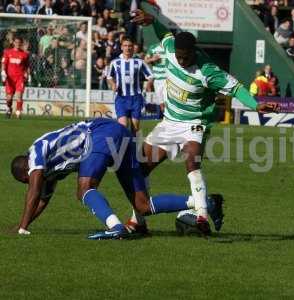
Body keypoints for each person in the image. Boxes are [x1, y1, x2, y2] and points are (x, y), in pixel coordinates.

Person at [131, 9, 279, 230]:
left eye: (185, 56)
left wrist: (256, 104)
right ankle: (137, 221)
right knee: (140, 169)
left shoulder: (208, 71)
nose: (180, 60)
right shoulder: (171, 49)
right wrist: (153, 21)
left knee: (192, 162)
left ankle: (201, 216)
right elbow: (166, 36)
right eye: (178, 56)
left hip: (194, 123)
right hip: (169, 122)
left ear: (194, 51)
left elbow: (237, 88)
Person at [10, 118, 223, 239]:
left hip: (100, 133)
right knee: (142, 206)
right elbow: (42, 199)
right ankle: (203, 202)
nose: (32, 181)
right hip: (121, 134)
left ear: (24, 174)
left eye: (27, 180)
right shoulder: (48, 170)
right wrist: (26, 224)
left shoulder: (36, 153)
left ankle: (116, 227)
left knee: (85, 188)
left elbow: (35, 191)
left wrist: (21, 228)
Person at [107, 36, 154, 132]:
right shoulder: (115, 63)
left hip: (136, 98)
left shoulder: (140, 62)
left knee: (135, 128)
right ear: (121, 47)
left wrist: (149, 84)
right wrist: (113, 84)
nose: (127, 48)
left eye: (130, 46)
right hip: (121, 98)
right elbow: (109, 76)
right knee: (123, 125)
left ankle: (134, 146)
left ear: (133, 47)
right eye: (125, 45)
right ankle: (123, 146)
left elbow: (150, 76)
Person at [1, 36, 29, 119]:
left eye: (19, 42)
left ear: (21, 43)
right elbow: (4, 63)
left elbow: (27, 66)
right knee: (9, 98)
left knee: (19, 96)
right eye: (16, 42)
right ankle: (9, 108)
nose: (17, 44)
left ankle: (18, 112)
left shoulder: (25, 54)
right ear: (13, 43)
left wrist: (28, 74)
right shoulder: (7, 52)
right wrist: (3, 71)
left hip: (19, 78)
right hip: (9, 78)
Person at [145, 41, 167, 115]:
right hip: (157, 80)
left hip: (168, 79)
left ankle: (169, 120)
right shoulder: (153, 47)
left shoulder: (171, 47)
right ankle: (165, 119)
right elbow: (145, 60)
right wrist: (152, 59)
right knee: (161, 103)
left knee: (168, 102)